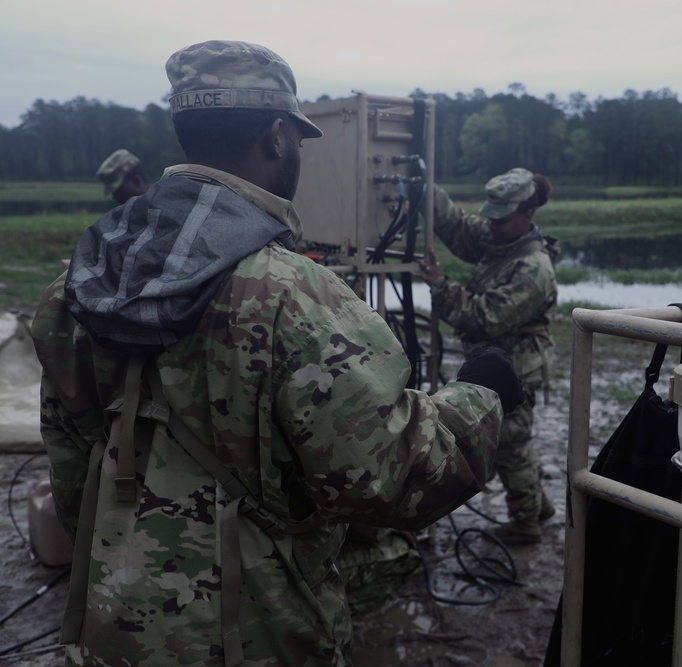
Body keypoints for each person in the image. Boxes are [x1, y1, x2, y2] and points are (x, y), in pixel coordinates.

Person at [31, 39, 522, 667]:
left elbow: (73, 478)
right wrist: (478, 394)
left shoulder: (78, 282)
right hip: (256, 634)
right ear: (276, 137)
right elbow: (397, 479)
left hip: (114, 628)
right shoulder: (295, 295)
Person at [417, 168, 559, 545]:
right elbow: (459, 228)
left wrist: (440, 286)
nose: (490, 225)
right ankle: (539, 507)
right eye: (490, 216)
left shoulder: (532, 267)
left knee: (511, 443)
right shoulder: (502, 239)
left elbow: (484, 318)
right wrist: (424, 186)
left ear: (527, 215)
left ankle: (526, 522)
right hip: (500, 363)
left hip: (518, 366)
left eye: (501, 218)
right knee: (508, 441)